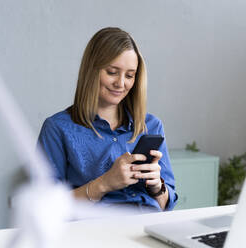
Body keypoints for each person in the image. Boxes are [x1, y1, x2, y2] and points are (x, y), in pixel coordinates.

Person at [38, 27, 177, 212]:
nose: (121, 83)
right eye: (112, 72)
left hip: (148, 225)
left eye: (129, 75)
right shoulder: (57, 128)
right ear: (92, 70)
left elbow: (166, 205)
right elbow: (46, 208)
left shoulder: (151, 125)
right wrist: (104, 183)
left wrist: (157, 188)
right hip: (96, 230)